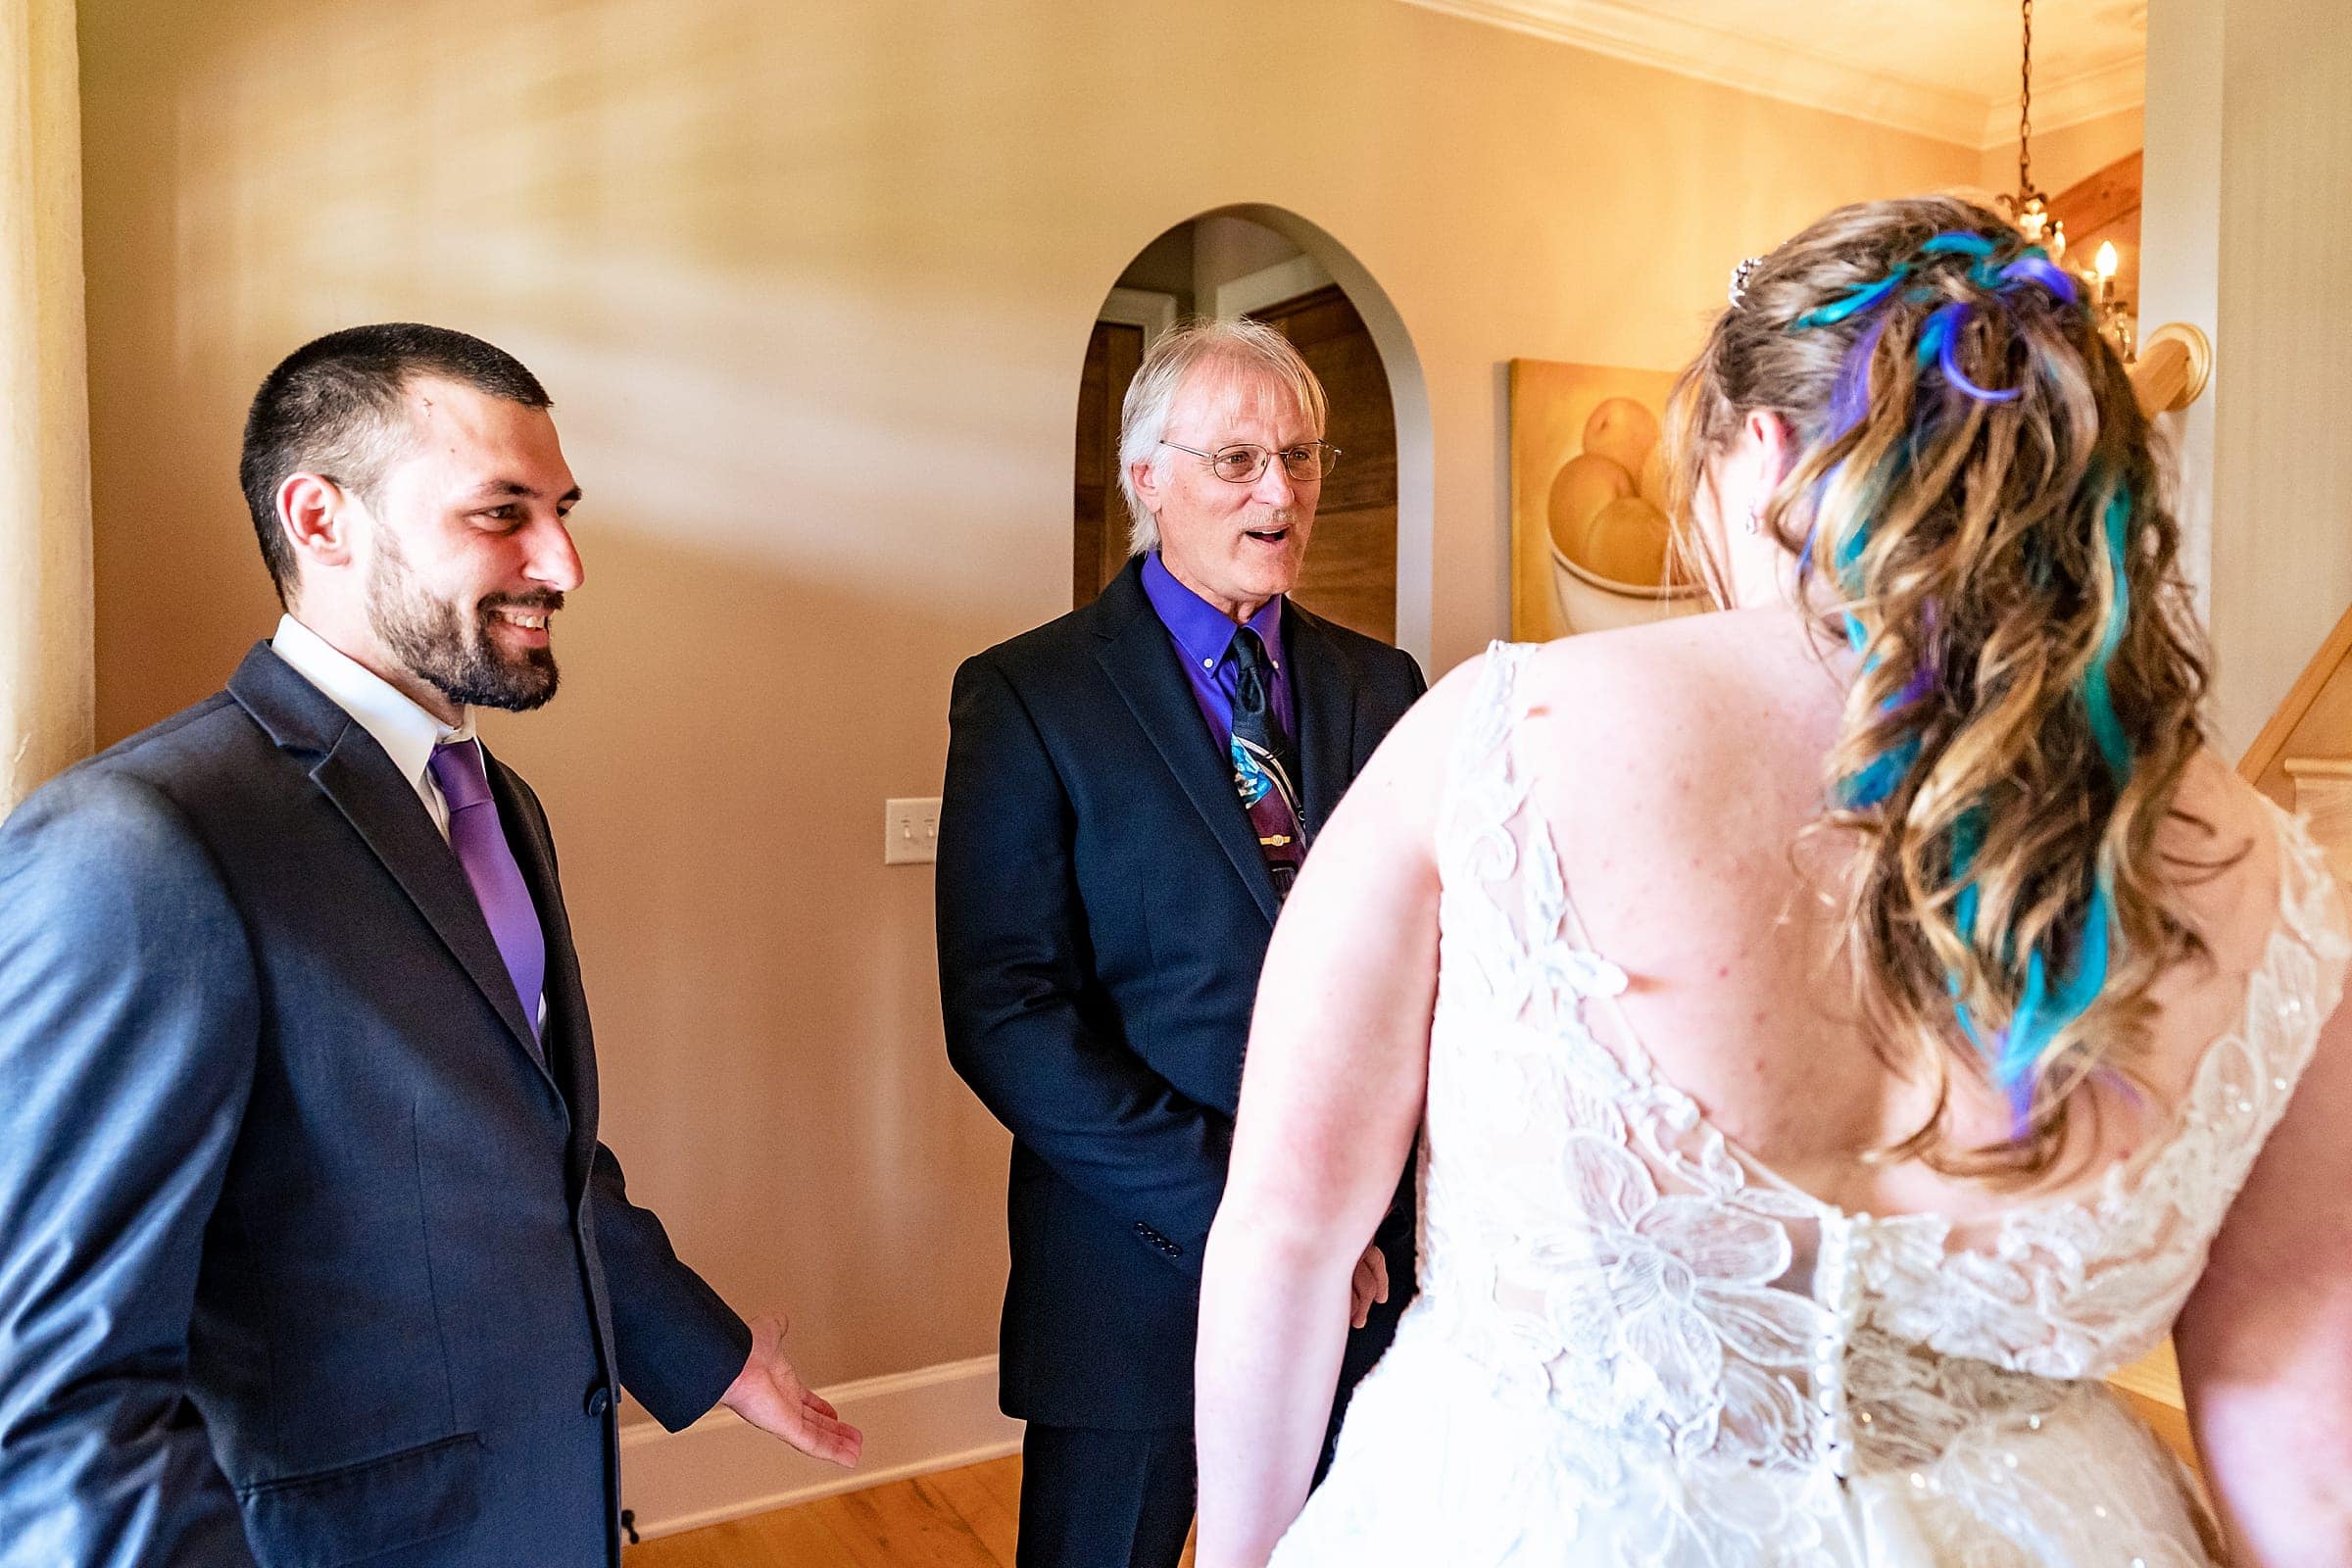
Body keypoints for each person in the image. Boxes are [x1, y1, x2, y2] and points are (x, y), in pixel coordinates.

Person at [1194, 195, 2352, 1567]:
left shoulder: (1501, 733)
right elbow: (2300, 1400)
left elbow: (1283, 1236)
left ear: (1768, 442)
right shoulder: (2257, 868)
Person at [0, 324, 860, 1568]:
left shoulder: (499, 803)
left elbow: (530, 1156)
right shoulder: (142, 841)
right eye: (502, 512)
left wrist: (706, 1353)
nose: (562, 559)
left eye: (561, 510)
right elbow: (53, 1396)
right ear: (321, 518)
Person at [937, 318, 1426, 1568]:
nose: (1281, 492)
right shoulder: (1029, 695)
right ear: (1146, 476)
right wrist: (1253, 1212)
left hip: (1372, 1276)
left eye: (1303, 457)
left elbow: (1437, 962)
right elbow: (1005, 1013)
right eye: (1237, 460)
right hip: (1133, 1274)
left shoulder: (1385, 688)